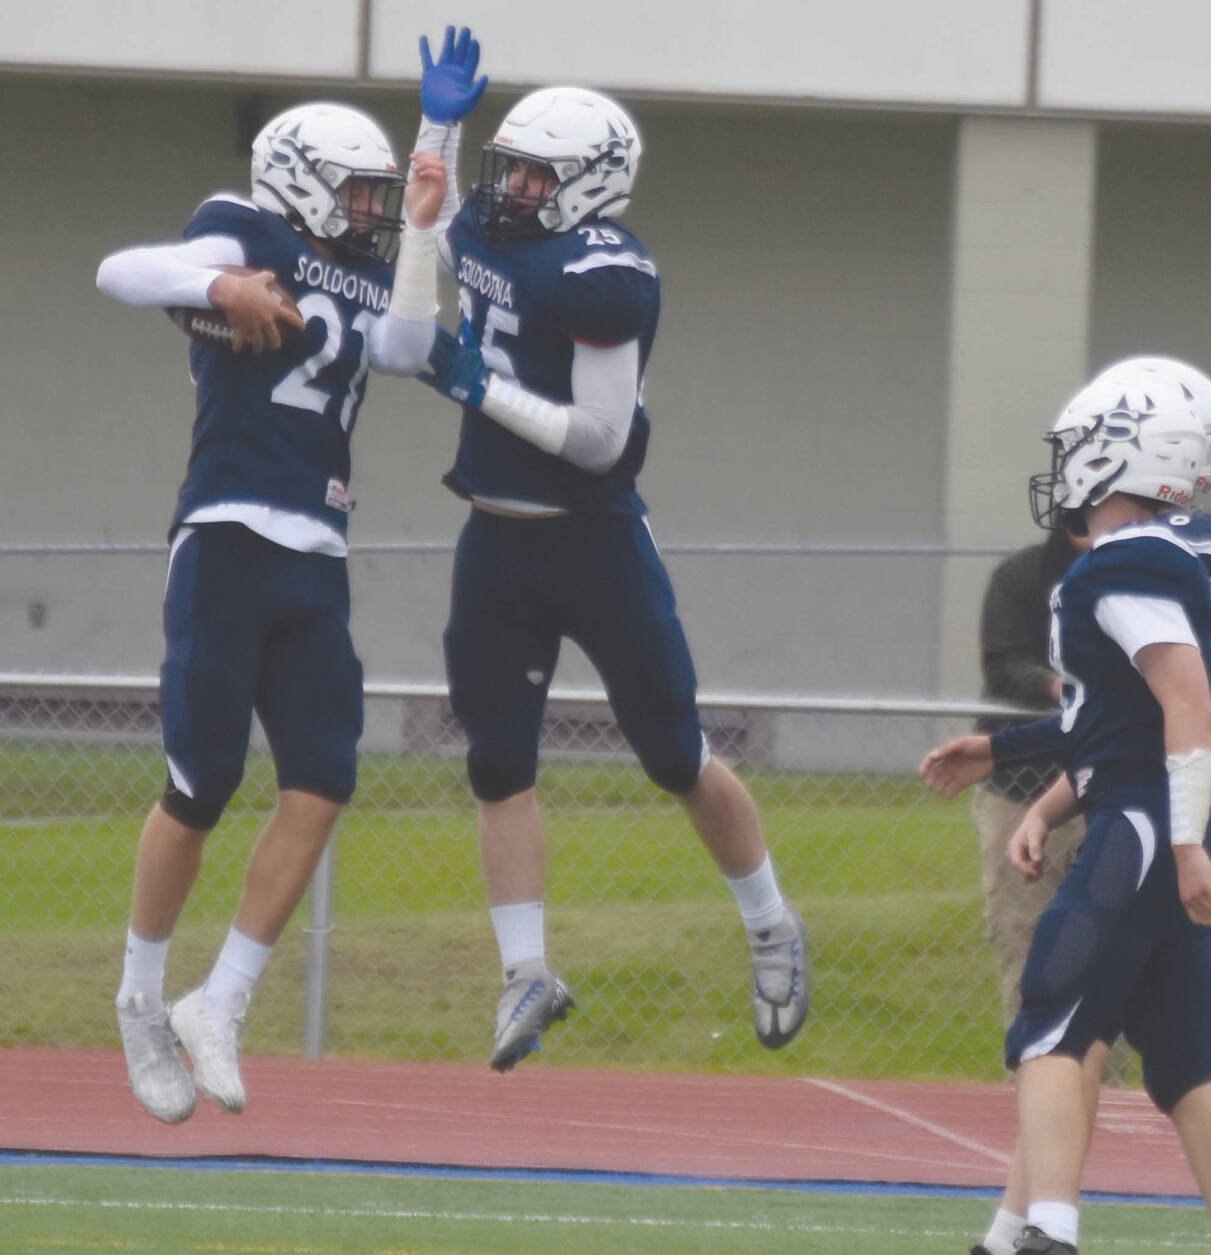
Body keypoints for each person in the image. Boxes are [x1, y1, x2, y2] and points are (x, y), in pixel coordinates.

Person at [873, 357, 1211, 1255]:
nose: (1063, 467)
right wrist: (1016, 761)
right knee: (1188, 1064)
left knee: (1054, 1018)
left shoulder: (1128, 560)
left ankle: (1043, 1247)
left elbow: (1187, 706)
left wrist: (1200, 846)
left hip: (1147, 825)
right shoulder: (1190, 554)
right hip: (1150, 808)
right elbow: (1128, 716)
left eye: (1078, 447)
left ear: (1132, 450)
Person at [95, 33, 470, 1121]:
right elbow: (122, 272)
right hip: (225, 535)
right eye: (355, 192)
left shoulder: (366, 261)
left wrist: (430, 165)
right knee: (200, 785)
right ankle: (137, 996)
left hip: (318, 551)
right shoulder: (247, 224)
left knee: (323, 778)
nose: (366, 208)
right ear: (302, 184)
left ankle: (221, 1001)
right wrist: (217, 279)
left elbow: (403, 346)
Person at [415, 83, 808, 1069]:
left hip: (592, 541)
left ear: (591, 183)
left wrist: (474, 384)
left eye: (539, 171)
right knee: (496, 763)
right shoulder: (490, 230)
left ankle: (768, 926)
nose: (514, 187)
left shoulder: (607, 272)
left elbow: (596, 443)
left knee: (673, 752)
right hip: (494, 538)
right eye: (511, 166)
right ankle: (525, 974)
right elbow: (441, 207)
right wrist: (439, 125)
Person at [972, 526, 1085, 1018]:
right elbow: (1003, 664)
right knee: (1026, 938)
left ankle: (1108, 1087)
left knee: (1109, 951)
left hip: (1113, 789)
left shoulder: (1145, 579)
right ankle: (1033, 1073)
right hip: (1021, 787)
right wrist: (1061, 687)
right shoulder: (1022, 576)